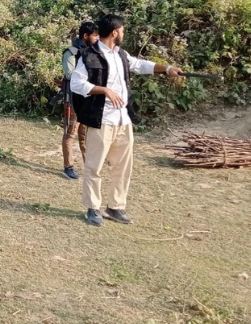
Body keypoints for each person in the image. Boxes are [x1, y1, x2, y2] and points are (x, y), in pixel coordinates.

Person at [70, 14, 182, 227]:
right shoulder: (88, 56)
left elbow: (140, 65)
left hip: (123, 121)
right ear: (114, 32)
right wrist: (103, 90)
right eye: (122, 30)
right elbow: (76, 84)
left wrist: (167, 69)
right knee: (94, 167)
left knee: (123, 167)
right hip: (101, 120)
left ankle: (115, 208)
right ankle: (93, 208)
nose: (123, 33)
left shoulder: (121, 54)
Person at [60, 22, 99, 180]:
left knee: (85, 136)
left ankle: (88, 166)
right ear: (85, 36)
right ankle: (68, 167)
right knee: (70, 133)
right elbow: (70, 75)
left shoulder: (93, 52)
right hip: (74, 99)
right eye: (95, 35)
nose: (97, 38)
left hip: (87, 100)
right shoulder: (71, 53)